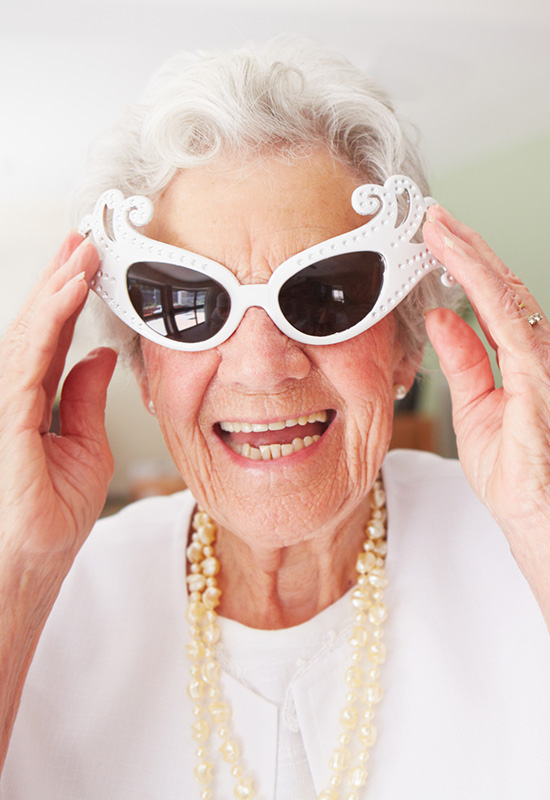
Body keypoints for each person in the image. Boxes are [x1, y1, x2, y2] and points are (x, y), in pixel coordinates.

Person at [1, 39, 549, 800]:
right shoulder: (45, 608)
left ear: (404, 343)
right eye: (190, 304)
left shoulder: (522, 558)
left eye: (325, 294)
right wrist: (16, 575)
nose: (262, 366)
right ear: (141, 364)